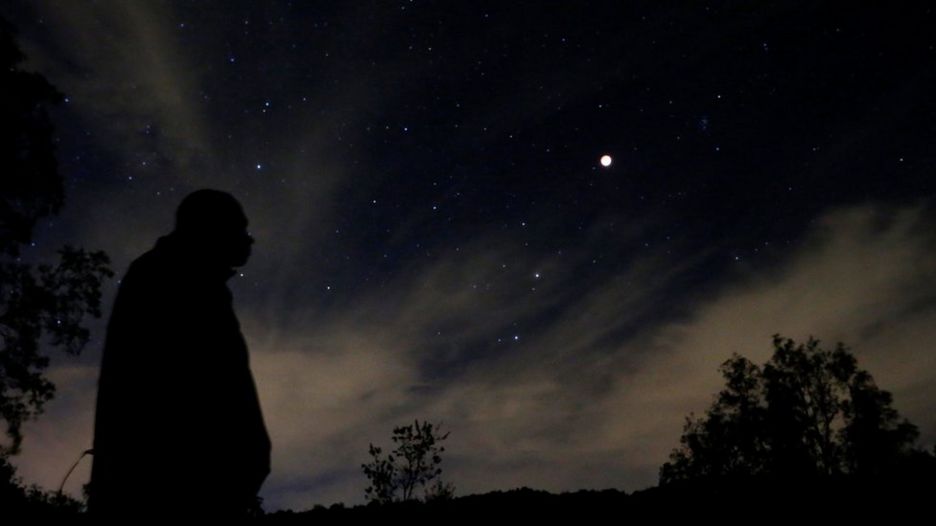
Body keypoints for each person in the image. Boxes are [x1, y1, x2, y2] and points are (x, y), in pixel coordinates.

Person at [88, 189, 271, 517]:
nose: (249, 240)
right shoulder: (181, 280)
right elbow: (208, 383)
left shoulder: (173, 275)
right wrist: (244, 461)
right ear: (214, 228)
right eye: (240, 229)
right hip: (178, 491)